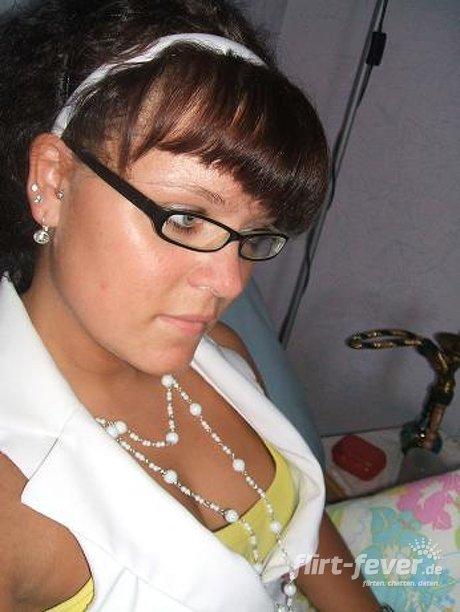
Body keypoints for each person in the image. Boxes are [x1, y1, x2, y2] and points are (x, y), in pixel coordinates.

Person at [0, 1, 382, 610]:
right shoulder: (13, 503)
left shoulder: (222, 354)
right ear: (53, 181)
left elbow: (300, 539)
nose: (229, 282)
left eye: (254, 234)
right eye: (184, 218)